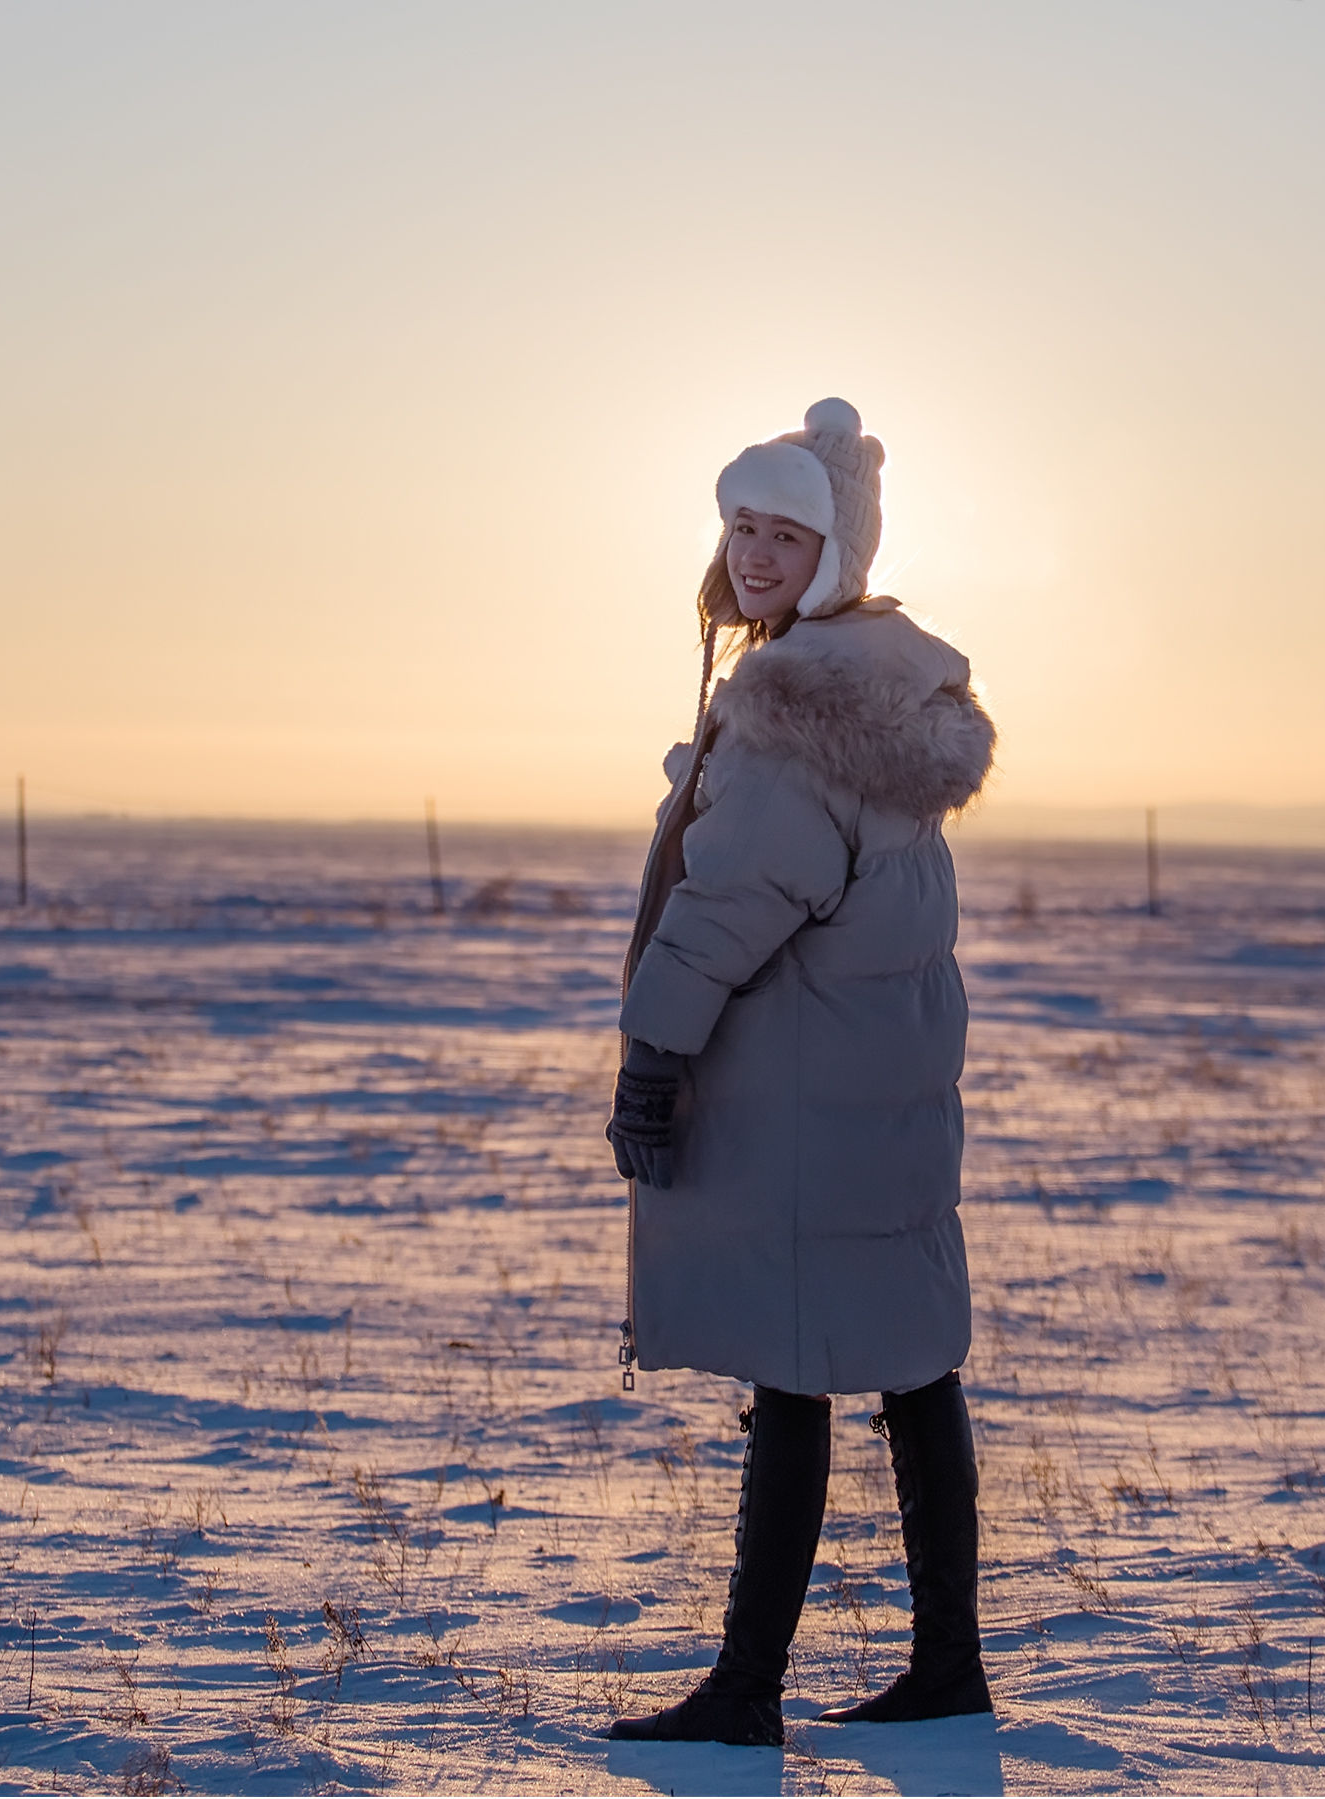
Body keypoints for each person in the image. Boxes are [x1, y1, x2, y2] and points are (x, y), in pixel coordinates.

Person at [601, 398, 998, 1747]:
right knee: (906, 1361)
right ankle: (946, 1665)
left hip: (800, 1090)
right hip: (874, 1088)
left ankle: (745, 1693)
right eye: (742, 526)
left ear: (837, 554)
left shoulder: (795, 712)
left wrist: (654, 1055)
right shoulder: (884, 693)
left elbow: (724, 909)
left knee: (793, 1375)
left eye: (787, 532)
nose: (757, 553)